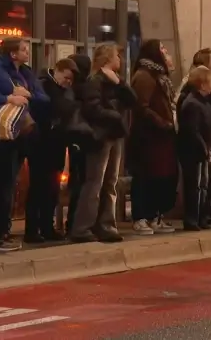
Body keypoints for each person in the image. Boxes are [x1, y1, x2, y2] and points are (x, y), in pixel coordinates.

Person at [0, 38, 49, 251]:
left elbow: (43, 98)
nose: (27, 52)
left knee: (10, 183)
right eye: (23, 49)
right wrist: (8, 97)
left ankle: (2, 230)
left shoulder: (26, 73)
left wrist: (29, 95)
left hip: (22, 136)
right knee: (1, 184)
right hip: (1, 138)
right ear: (12, 54)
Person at [70, 45, 136, 243]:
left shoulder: (114, 81)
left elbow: (133, 100)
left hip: (114, 135)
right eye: (117, 55)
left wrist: (120, 83)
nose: (120, 59)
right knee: (95, 183)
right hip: (100, 136)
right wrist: (116, 116)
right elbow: (92, 109)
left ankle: (106, 225)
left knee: (110, 182)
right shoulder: (95, 81)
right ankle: (83, 227)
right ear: (107, 58)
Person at [26, 58, 79, 243]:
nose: (68, 82)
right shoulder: (44, 85)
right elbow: (51, 109)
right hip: (41, 144)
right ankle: (32, 229)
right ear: (58, 70)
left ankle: (47, 227)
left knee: (52, 189)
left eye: (70, 80)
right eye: (66, 77)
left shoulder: (62, 90)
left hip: (56, 143)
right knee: (38, 187)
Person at [129, 39, 178, 235]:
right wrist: (163, 123)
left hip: (161, 137)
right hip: (148, 137)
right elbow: (142, 107)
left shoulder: (160, 77)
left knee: (160, 177)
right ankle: (141, 217)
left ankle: (155, 215)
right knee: (144, 177)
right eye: (163, 49)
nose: (166, 53)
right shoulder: (145, 76)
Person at [178, 66, 211, 231]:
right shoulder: (192, 103)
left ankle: (201, 217)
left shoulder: (202, 102)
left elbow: (205, 124)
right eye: (210, 82)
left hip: (203, 149)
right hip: (194, 151)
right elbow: (192, 130)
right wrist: (204, 148)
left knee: (203, 185)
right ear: (202, 84)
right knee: (194, 186)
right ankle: (192, 219)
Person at [64, 53, 91, 234]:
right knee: (82, 182)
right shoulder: (84, 89)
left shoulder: (72, 88)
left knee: (77, 182)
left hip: (74, 138)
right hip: (83, 138)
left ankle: (71, 222)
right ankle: (74, 222)